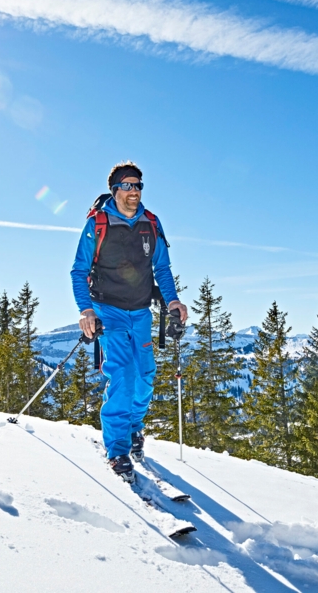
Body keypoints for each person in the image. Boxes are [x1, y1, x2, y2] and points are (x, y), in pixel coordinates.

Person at [71, 161, 187, 481]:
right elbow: (78, 271)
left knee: (145, 375)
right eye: (128, 185)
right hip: (107, 309)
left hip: (140, 311)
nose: (134, 191)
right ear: (115, 190)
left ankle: (135, 429)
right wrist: (86, 310)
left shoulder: (151, 223)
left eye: (138, 186)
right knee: (122, 374)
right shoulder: (98, 223)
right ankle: (118, 450)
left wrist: (172, 300)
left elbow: (161, 268)